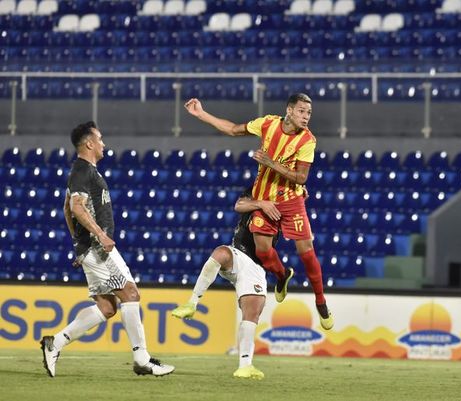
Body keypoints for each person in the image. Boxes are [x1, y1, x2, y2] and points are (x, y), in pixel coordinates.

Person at [184, 93, 334, 330]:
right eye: (302, 111)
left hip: (291, 200)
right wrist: (202, 114)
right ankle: (283, 275)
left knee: (306, 252)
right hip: (264, 199)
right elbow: (233, 129)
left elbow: (302, 178)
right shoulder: (267, 124)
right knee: (263, 252)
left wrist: (271, 163)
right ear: (289, 110)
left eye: (309, 113)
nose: (306, 117)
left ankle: (321, 301)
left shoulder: (307, 140)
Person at [40, 121, 175, 378]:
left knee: (107, 308)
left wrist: (77, 244)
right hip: (98, 248)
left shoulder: (86, 171)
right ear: (89, 143)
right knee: (131, 295)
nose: (103, 143)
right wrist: (98, 236)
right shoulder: (82, 170)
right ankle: (142, 359)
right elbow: (76, 208)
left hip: (89, 247)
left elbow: (67, 206)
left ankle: (54, 343)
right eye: (100, 139)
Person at [171, 188, 283, 380]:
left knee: (251, 314)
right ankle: (191, 303)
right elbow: (239, 205)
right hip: (238, 254)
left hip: (256, 267)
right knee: (221, 253)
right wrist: (261, 203)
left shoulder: (284, 200)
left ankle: (245, 366)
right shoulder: (257, 189)